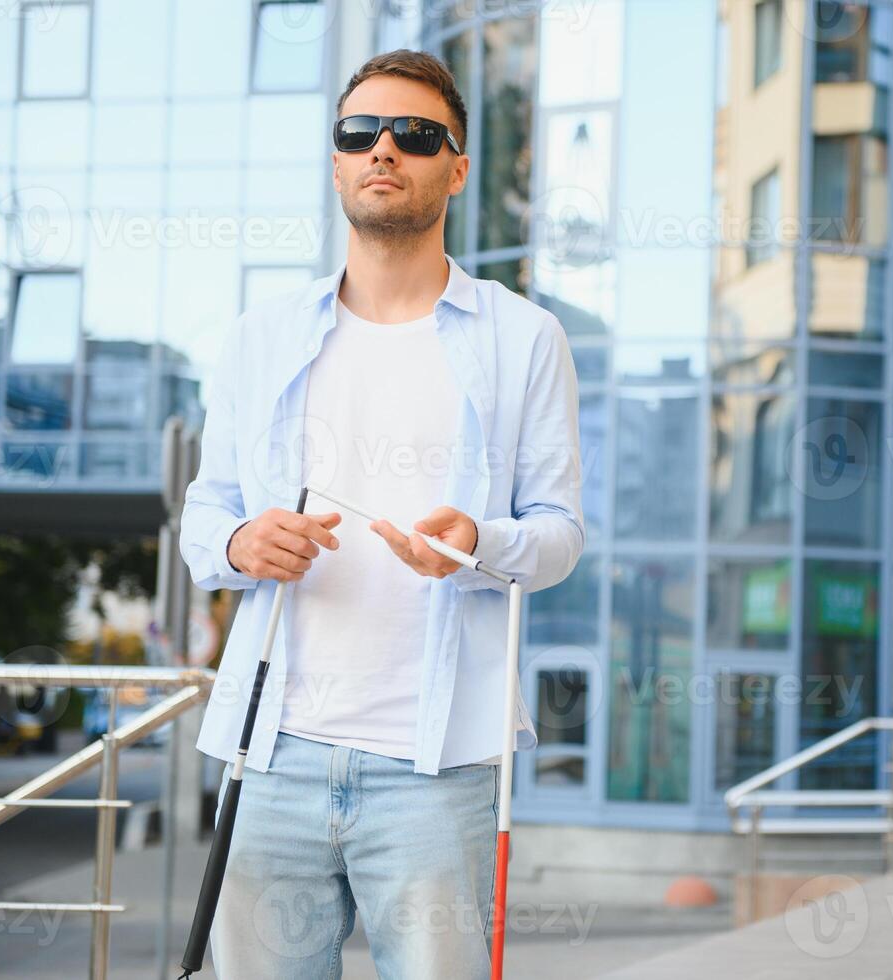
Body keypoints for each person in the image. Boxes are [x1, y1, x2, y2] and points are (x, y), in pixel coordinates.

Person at [178, 49, 584, 979]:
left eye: (415, 134)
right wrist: (243, 540)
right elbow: (207, 514)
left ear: (457, 167)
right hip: (270, 752)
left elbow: (560, 531)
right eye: (360, 133)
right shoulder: (262, 335)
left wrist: (482, 542)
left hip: (438, 766)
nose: (383, 150)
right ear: (336, 161)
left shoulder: (524, 337)